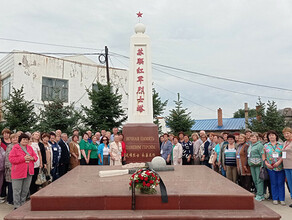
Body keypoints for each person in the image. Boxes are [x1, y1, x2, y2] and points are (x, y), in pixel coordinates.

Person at [9, 133, 37, 209]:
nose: (25, 141)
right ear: (20, 140)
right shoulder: (15, 148)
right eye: (24, 139)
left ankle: (22, 204)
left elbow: (35, 157)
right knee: (17, 190)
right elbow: (11, 159)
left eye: (27, 139)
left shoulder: (30, 148)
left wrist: (32, 158)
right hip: (18, 172)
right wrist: (23, 158)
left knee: (25, 189)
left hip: (29, 171)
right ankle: (17, 206)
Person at [262, 130, 285, 205]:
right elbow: (263, 155)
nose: (271, 136)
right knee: (273, 183)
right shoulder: (265, 145)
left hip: (280, 167)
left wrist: (279, 162)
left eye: (273, 135)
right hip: (270, 167)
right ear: (268, 137)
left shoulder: (281, 145)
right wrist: (266, 163)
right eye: (270, 135)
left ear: (276, 136)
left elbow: (284, 155)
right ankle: (275, 198)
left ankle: (281, 199)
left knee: (280, 183)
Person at [248, 132, 264, 201]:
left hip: (258, 165)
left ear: (257, 138)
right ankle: (259, 193)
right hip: (252, 165)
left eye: (254, 137)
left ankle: (260, 194)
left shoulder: (259, 145)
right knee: (254, 180)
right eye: (251, 137)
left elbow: (262, 155)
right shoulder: (250, 145)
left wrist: (262, 165)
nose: (253, 138)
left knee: (259, 180)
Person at [5, 134, 18, 205]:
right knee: (11, 184)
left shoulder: (20, 146)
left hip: (19, 168)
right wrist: (10, 166)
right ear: (11, 139)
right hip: (11, 168)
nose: (15, 139)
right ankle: (10, 199)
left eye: (16, 138)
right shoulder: (9, 147)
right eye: (13, 138)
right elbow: (7, 157)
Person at [282, 127, 292, 208]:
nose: (286, 135)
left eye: (287, 133)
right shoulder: (285, 143)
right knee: (290, 184)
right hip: (286, 166)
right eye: (284, 134)